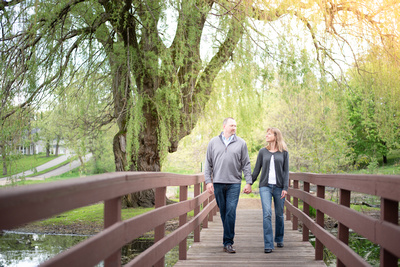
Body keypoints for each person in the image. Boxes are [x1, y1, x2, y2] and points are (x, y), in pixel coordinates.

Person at [204, 117, 253, 253]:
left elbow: (246, 164)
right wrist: (208, 181)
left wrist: (248, 182)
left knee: (231, 211)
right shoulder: (213, 142)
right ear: (224, 126)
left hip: (234, 183)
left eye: (235, 126)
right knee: (224, 212)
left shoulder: (241, 143)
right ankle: (227, 239)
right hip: (218, 182)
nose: (234, 128)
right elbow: (208, 163)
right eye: (232, 125)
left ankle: (228, 242)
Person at [251, 127, 289, 254]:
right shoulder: (263, 152)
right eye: (266, 134)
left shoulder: (284, 152)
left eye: (269, 134)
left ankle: (279, 238)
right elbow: (257, 169)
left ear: (276, 136)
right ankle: (268, 244)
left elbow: (286, 171)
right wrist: (249, 183)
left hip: (279, 187)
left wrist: (285, 188)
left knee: (279, 214)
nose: (266, 135)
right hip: (265, 186)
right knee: (267, 213)